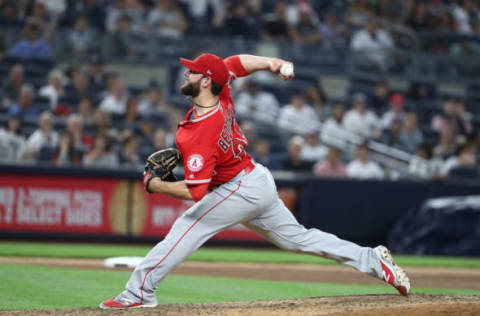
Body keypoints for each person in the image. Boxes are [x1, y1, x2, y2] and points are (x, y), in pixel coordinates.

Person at [99, 53, 410, 309]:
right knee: (297, 239)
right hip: (255, 179)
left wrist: (156, 185)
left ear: (206, 80)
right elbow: (235, 63)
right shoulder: (222, 93)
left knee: (189, 226)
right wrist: (274, 63)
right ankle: (371, 259)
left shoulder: (198, 131)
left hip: (239, 189)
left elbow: (196, 193)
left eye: (192, 72)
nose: (186, 74)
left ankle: (139, 292)